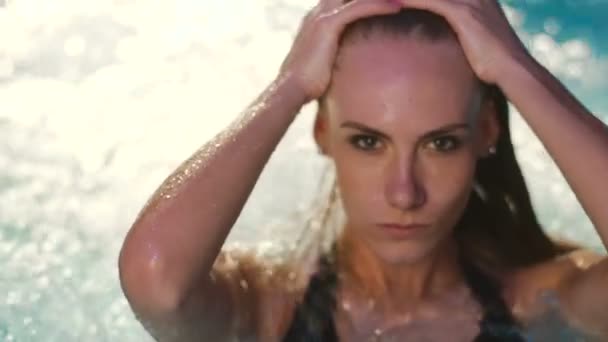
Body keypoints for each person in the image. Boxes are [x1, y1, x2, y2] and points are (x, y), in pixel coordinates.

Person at [118, 0, 608, 341]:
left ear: (486, 134)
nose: (404, 192)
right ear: (322, 132)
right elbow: (157, 282)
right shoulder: (268, 311)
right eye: (368, 142)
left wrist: (516, 68)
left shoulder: (545, 309)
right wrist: (289, 86)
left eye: (441, 143)